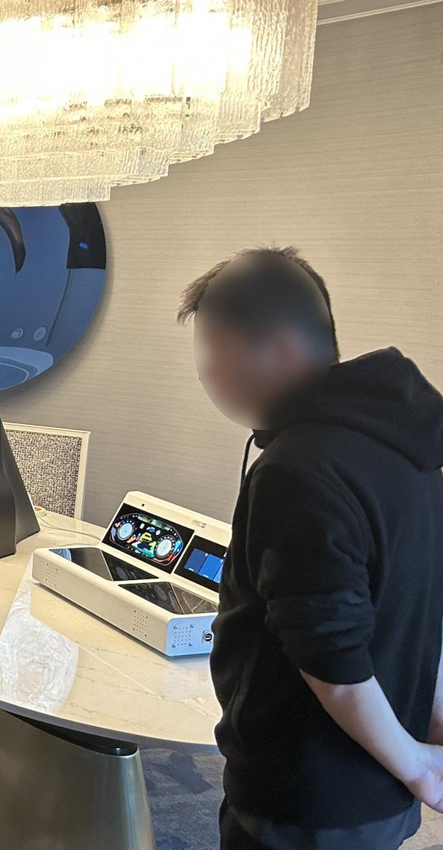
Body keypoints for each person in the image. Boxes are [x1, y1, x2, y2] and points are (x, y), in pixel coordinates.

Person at [177, 246, 443, 850]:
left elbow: (332, 659)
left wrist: (419, 764)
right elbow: (422, 607)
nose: (206, 371)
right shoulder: (408, 446)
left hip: (304, 793)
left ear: (280, 348)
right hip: (374, 785)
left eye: (214, 347)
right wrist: (424, 734)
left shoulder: (295, 469)